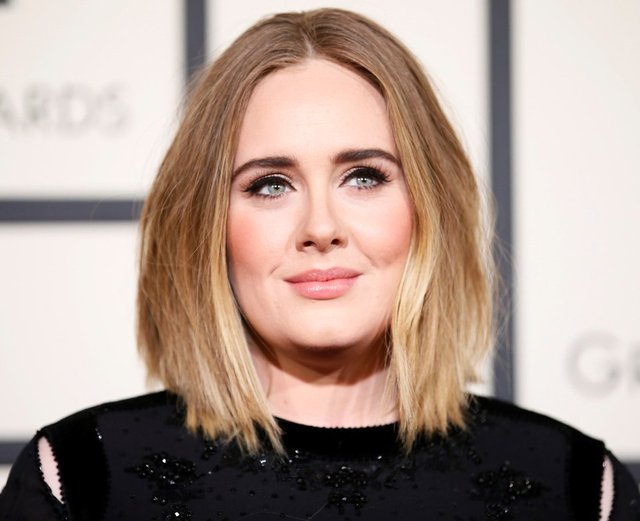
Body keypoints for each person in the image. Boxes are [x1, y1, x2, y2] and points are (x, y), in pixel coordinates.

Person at [1, 8, 638, 521]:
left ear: (430, 206)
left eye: (364, 176)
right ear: (206, 226)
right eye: (270, 185)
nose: (321, 228)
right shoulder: (81, 478)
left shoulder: (578, 485)